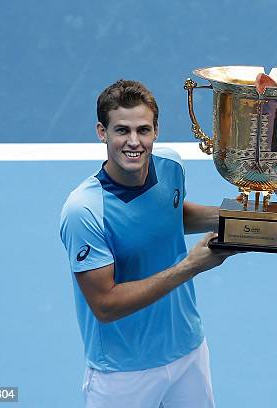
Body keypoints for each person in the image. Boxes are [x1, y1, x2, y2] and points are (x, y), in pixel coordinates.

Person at [60, 79, 234, 408]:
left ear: (156, 131)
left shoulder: (170, 166)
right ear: (102, 132)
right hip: (123, 374)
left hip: (189, 351)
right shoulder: (83, 211)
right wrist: (190, 266)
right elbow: (105, 305)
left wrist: (235, 219)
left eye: (143, 130)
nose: (134, 142)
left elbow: (168, 216)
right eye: (122, 130)